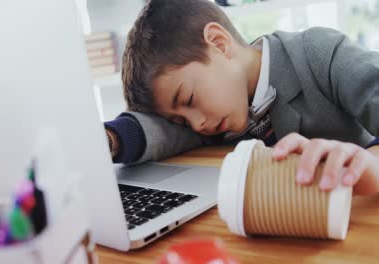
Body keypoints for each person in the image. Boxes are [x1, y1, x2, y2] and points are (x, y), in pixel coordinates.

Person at [103, 0, 379, 195]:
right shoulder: (213, 112)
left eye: (187, 99)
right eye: (182, 121)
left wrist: (372, 163)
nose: (196, 125)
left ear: (219, 44)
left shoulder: (319, 53)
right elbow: (160, 129)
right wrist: (110, 139)